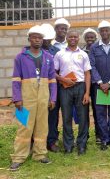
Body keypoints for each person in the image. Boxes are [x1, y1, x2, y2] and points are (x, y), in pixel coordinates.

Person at [9, 25, 57, 171]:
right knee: (23, 126)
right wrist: (17, 98)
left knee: (42, 126)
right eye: (34, 37)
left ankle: (40, 154)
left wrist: (52, 98)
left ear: (43, 40)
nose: (37, 40)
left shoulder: (48, 57)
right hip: (25, 98)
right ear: (29, 39)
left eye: (40, 38)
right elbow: (16, 79)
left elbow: (52, 80)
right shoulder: (20, 57)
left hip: (43, 97)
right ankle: (18, 157)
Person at [54, 31, 91, 155]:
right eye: (70, 37)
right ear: (67, 38)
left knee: (83, 117)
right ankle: (68, 145)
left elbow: (87, 74)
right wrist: (64, 79)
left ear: (78, 38)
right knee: (66, 117)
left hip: (80, 87)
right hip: (65, 88)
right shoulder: (60, 54)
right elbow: (53, 72)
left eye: (75, 36)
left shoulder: (83, 54)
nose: (73, 39)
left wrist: (87, 93)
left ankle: (82, 145)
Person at [89, 20, 110, 150]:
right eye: (102, 30)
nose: (104, 32)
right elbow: (92, 66)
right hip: (99, 86)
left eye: (107, 30)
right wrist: (101, 82)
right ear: (99, 32)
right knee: (100, 114)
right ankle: (104, 139)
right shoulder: (94, 48)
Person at [40, 24, 61, 153]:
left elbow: (58, 71)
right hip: (37, 89)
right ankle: (36, 142)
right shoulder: (31, 51)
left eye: (49, 39)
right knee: (37, 116)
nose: (47, 41)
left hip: (54, 88)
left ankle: (51, 141)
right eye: (45, 39)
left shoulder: (56, 51)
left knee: (53, 116)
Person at [81, 27, 101, 143]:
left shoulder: (99, 50)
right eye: (87, 37)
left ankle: (99, 134)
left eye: (92, 37)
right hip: (84, 85)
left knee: (97, 110)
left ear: (95, 38)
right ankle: (85, 135)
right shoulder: (81, 51)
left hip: (97, 84)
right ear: (84, 38)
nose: (90, 39)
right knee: (84, 111)